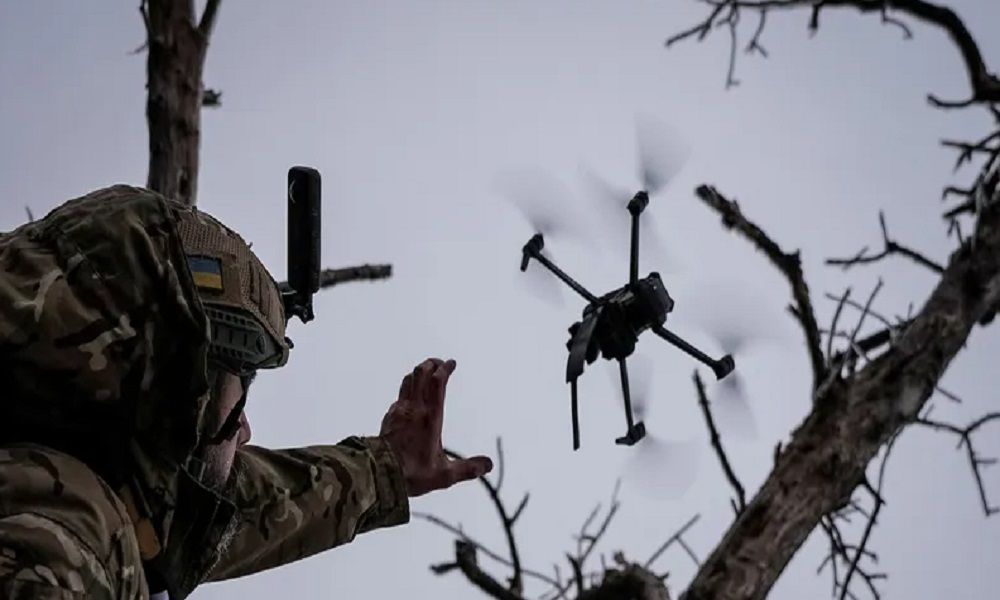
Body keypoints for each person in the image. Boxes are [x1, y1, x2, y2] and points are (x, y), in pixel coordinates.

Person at [0, 184, 492, 599]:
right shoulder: (54, 547)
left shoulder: (64, 475)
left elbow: (235, 506)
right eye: (238, 391)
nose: (245, 431)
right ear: (178, 394)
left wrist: (384, 470)